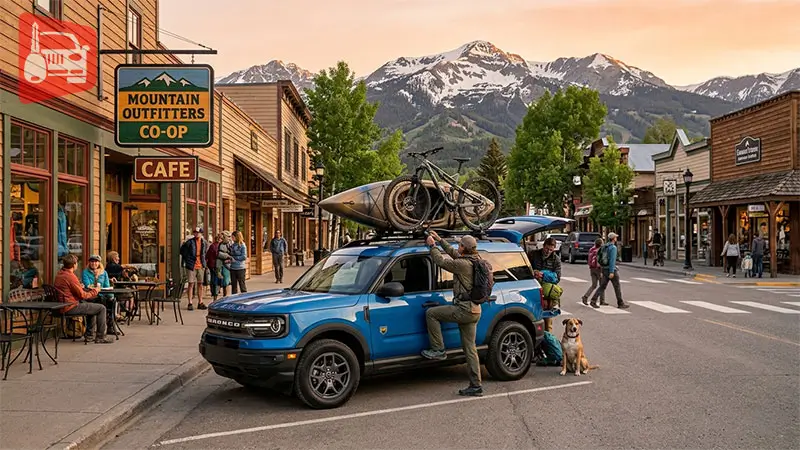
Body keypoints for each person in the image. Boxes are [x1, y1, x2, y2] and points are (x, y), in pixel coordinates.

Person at [420, 230, 483, 397]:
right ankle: (476, 385)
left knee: (432, 314)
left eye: (460, 244)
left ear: (465, 248)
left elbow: (440, 261)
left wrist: (432, 245)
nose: (458, 246)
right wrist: (441, 240)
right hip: (474, 309)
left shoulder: (462, 265)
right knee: (470, 349)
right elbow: (454, 253)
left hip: (464, 309)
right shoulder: (475, 259)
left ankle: (438, 350)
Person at [54, 254, 114, 344]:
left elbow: (72, 291)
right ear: (74, 264)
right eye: (77, 263)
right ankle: (101, 337)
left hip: (62, 305)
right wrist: (96, 290)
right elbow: (83, 295)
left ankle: (89, 335)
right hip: (69, 307)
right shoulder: (70, 276)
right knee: (101, 308)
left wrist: (80, 287)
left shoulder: (60, 274)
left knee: (92, 307)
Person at [528, 237, 562, 333]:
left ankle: (548, 338)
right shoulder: (533, 254)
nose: (548, 251)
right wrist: (533, 272)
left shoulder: (556, 260)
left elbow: (558, 277)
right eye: (547, 249)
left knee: (548, 320)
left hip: (547, 293)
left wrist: (543, 275)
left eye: (551, 250)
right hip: (533, 288)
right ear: (543, 246)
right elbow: (525, 268)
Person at [589, 232, 629, 309]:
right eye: (616, 237)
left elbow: (599, 257)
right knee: (617, 287)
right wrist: (611, 271)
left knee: (602, 286)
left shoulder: (604, 246)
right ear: (614, 239)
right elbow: (612, 260)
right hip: (611, 270)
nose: (616, 239)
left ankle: (593, 301)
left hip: (604, 269)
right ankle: (620, 303)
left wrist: (602, 269)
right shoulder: (613, 248)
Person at [81, 254, 118, 336]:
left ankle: (110, 327)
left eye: (96, 262)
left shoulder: (104, 272)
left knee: (112, 302)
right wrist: (96, 280)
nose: (94, 263)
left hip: (102, 295)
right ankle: (92, 331)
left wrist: (111, 297)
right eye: (92, 262)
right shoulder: (85, 272)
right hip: (91, 296)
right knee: (98, 303)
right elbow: (88, 286)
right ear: (89, 263)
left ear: (99, 263)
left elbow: (106, 286)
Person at [179, 227, 208, 311]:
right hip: (191, 265)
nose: (196, 234)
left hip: (201, 264)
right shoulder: (189, 242)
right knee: (191, 284)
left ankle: (200, 302)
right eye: (195, 232)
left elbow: (205, 252)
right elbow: (182, 251)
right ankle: (190, 302)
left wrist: (204, 264)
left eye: (198, 232)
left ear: (201, 233)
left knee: (200, 284)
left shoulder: (204, 242)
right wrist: (188, 259)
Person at [582, 238, 606, 307]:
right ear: (601, 244)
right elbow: (600, 261)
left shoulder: (591, 249)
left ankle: (585, 297)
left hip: (592, 269)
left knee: (594, 285)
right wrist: (602, 271)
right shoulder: (600, 250)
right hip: (598, 269)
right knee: (602, 285)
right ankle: (602, 300)